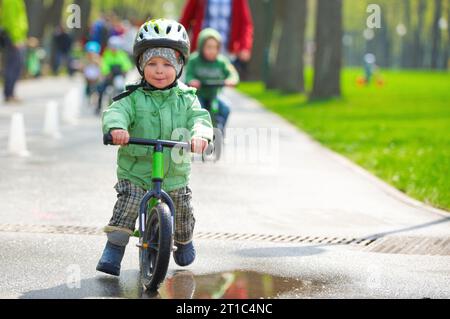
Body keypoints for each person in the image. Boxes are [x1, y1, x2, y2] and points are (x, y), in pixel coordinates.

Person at [96, 18, 213, 276]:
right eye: (152, 64)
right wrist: (117, 129)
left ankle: (183, 241)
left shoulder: (187, 99)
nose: (159, 71)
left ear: (180, 66)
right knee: (126, 208)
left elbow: (200, 119)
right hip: (136, 172)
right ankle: (114, 249)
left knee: (182, 210)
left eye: (167, 64)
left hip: (174, 173)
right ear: (140, 65)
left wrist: (201, 136)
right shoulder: (133, 97)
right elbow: (117, 111)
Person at [185, 28, 239, 133]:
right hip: (199, 95)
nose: (212, 51)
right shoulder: (194, 60)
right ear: (201, 47)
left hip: (214, 94)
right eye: (209, 47)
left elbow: (233, 74)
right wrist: (192, 80)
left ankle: (221, 129)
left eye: (215, 47)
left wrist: (231, 80)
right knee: (198, 110)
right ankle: (197, 132)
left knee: (225, 107)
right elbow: (189, 75)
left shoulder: (222, 62)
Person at [179, 0, 253, 75]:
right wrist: (179, 45)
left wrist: (244, 47)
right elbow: (186, 19)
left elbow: (245, 23)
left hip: (227, 51)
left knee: (226, 78)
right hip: (201, 50)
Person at [0, 0, 28, 104]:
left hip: (18, 37)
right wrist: (16, 38)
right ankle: (9, 94)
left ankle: (10, 93)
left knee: (15, 65)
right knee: (13, 66)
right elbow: (12, 20)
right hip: (14, 38)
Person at [96, 35, 133, 114]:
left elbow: (127, 64)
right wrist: (106, 72)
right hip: (109, 76)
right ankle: (98, 107)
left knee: (123, 89)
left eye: (115, 47)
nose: (113, 49)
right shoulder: (107, 54)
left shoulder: (121, 54)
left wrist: (124, 70)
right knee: (101, 88)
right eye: (112, 47)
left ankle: (123, 107)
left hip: (118, 76)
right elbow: (104, 64)